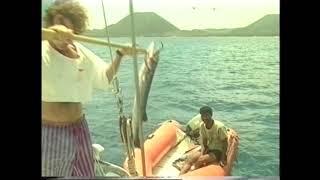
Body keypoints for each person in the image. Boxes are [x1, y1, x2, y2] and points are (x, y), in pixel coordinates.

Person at [41, 0, 136, 177]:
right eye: (56, 22)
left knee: (85, 174)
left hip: (79, 129)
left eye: (64, 22)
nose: (59, 28)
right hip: (50, 132)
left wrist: (120, 55)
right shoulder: (43, 50)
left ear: (74, 28)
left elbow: (103, 78)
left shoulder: (81, 52)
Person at [179, 106, 228, 175]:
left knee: (200, 161)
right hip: (209, 148)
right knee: (190, 159)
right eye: (203, 116)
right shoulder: (202, 126)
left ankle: (190, 174)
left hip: (217, 150)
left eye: (207, 115)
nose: (205, 118)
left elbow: (225, 143)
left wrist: (223, 158)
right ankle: (180, 175)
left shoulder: (219, 127)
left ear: (211, 115)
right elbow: (204, 140)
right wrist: (203, 152)